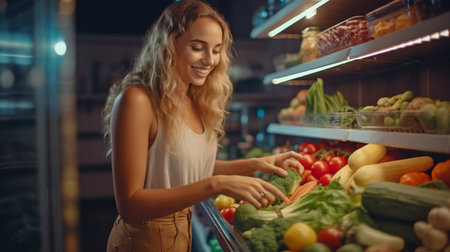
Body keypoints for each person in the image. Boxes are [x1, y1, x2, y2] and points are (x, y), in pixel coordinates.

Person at [102, 0, 303, 251]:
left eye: (217, 50)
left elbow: (185, 169)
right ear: (168, 46)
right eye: (198, 47)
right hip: (142, 240)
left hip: (180, 233)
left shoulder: (194, 99)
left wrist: (257, 164)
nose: (209, 60)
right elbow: (131, 206)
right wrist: (218, 184)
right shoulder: (138, 100)